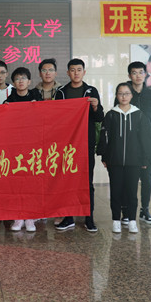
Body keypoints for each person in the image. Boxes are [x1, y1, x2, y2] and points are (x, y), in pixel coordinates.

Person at [54, 58, 104, 232]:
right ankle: (68, 217)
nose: (76, 73)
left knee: (87, 181)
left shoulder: (91, 91)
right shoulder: (61, 92)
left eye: (79, 70)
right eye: (73, 70)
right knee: (67, 181)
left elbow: (99, 118)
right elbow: (56, 118)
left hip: (86, 144)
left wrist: (96, 107)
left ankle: (89, 218)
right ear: (68, 73)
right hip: (67, 145)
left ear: (84, 72)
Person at [98, 83, 151, 234]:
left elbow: (145, 139)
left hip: (134, 162)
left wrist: (145, 159)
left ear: (131, 95)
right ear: (116, 96)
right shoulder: (111, 115)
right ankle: (116, 220)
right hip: (114, 161)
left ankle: (132, 220)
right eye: (120, 93)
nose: (124, 96)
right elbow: (104, 137)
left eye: (126, 93)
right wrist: (104, 156)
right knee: (115, 191)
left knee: (131, 192)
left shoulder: (139, 115)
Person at [115, 62, 151, 225]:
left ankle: (145, 210)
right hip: (128, 142)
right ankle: (127, 212)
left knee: (146, 178)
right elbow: (116, 115)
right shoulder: (124, 92)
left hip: (146, 142)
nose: (138, 76)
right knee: (128, 179)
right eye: (134, 73)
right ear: (129, 75)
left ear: (145, 74)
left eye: (141, 72)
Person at [4, 67, 42, 232]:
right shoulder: (9, 101)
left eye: (24, 78)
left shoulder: (36, 97)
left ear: (29, 81)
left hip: (32, 147)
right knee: (16, 182)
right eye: (17, 79)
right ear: (13, 83)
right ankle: (18, 216)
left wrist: (37, 108)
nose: (21, 81)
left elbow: (46, 119)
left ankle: (30, 217)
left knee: (31, 182)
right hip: (14, 147)